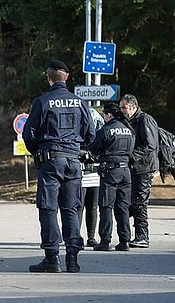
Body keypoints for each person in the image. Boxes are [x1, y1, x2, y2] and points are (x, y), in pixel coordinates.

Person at [23, 60, 95, 273]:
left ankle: (52, 258)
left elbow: (29, 133)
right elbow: (91, 134)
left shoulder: (43, 101)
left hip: (51, 161)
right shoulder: (80, 102)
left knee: (48, 208)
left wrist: (37, 151)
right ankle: (72, 259)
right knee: (71, 208)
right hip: (73, 161)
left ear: (48, 78)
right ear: (67, 77)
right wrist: (76, 146)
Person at [87, 102, 135, 252]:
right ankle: (124, 241)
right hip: (126, 171)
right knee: (123, 208)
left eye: (104, 115)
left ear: (109, 115)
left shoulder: (107, 129)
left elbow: (93, 148)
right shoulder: (128, 129)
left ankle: (105, 240)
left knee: (106, 207)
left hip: (110, 172)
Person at [119, 94, 159, 248]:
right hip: (135, 167)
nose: (122, 111)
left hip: (145, 167)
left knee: (140, 202)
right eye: (121, 107)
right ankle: (134, 234)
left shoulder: (144, 119)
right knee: (132, 201)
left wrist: (131, 156)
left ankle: (142, 236)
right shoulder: (128, 121)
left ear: (133, 107)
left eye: (124, 107)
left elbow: (150, 144)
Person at [78, 106, 105, 247]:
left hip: (94, 176)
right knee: (79, 207)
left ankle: (91, 237)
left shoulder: (101, 136)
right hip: (81, 175)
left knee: (92, 207)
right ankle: (76, 237)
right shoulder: (77, 135)